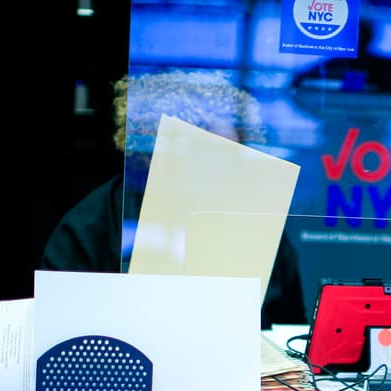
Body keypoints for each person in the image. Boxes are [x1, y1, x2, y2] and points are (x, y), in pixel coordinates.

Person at [40, 69, 307, 327]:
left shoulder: (255, 225)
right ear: (161, 150)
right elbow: (60, 329)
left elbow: (288, 329)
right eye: (214, 153)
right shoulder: (96, 223)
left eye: (234, 154)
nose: (228, 169)